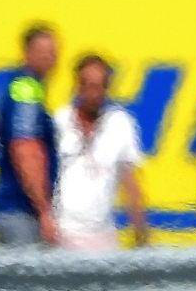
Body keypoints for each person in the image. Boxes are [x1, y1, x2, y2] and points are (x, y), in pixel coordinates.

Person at [52, 54, 149, 252]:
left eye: (100, 86)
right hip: (62, 232)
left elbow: (130, 181)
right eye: (88, 85)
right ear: (77, 86)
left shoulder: (120, 123)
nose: (94, 93)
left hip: (103, 235)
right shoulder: (58, 121)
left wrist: (141, 232)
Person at [0, 23, 61, 248]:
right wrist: (44, 210)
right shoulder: (26, 90)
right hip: (21, 211)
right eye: (43, 52)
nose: (50, 58)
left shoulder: (30, 88)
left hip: (18, 211)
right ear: (27, 53)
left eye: (53, 52)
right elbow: (25, 149)